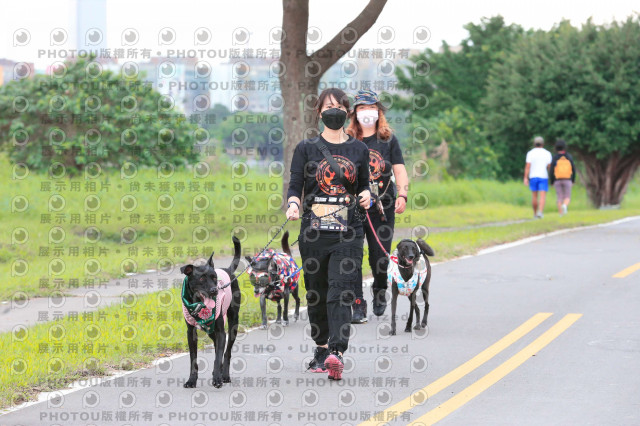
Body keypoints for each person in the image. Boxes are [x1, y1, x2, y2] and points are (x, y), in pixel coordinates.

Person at [285, 87, 371, 380]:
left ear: (347, 112)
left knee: (340, 289)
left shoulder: (359, 149)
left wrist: (367, 196)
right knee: (316, 292)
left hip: (349, 231)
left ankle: (337, 351)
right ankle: (321, 347)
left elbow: (363, 185)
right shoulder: (306, 148)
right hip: (313, 232)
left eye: (339, 106)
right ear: (319, 113)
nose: (334, 111)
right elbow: (295, 185)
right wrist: (293, 204)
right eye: (328, 106)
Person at [346, 89, 409, 320]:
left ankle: (380, 289)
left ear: (378, 111)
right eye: (361, 108)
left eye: (371, 107)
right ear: (354, 113)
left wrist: (402, 195)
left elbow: (399, 170)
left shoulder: (388, 140)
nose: (366, 112)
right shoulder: (346, 139)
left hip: (383, 206)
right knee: (351, 256)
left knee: (379, 256)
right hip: (352, 207)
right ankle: (357, 303)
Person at [524, 136, 552, 218]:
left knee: (534, 196)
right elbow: (549, 166)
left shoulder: (530, 153)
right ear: (543, 144)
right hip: (543, 176)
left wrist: (525, 177)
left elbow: (528, 166)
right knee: (542, 196)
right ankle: (540, 212)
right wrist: (552, 177)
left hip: (533, 176)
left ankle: (535, 213)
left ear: (534, 144)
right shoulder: (547, 153)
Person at [549, 139, 576, 216]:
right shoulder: (568, 156)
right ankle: (565, 205)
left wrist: (552, 181)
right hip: (567, 179)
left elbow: (551, 170)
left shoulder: (555, 157)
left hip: (557, 180)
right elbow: (573, 169)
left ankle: (560, 214)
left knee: (559, 197)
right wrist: (573, 180)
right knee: (567, 196)